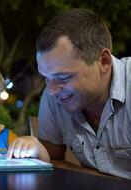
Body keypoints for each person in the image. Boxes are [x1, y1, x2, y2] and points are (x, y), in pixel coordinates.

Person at [36, 8, 131, 179]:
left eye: (63, 77)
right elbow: (50, 160)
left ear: (103, 61)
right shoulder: (54, 95)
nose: (51, 91)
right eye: (46, 78)